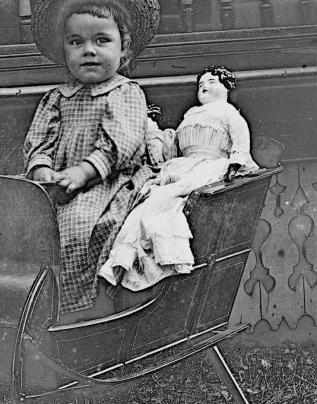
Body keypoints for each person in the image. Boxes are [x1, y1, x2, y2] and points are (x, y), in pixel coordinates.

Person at [24, 0, 161, 315]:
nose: (88, 51)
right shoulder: (58, 98)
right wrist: (42, 168)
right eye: (76, 42)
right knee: (25, 225)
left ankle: (78, 307)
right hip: (58, 185)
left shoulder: (124, 93)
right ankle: (35, 305)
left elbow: (123, 144)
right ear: (64, 49)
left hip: (108, 183)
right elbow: (39, 139)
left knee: (82, 226)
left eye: (101, 40)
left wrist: (85, 172)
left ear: (123, 48)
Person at [99, 65, 259, 292]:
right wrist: (151, 126)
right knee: (148, 204)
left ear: (226, 87)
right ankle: (123, 259)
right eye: (201, 84)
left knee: (163, 198)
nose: (204, 86)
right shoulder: (190, 115)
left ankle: (166, 254)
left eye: (211, 81)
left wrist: (236, 162)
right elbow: (171, 150)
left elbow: (241, 141)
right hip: (182, 166)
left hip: (210, 167)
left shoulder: (229, 113)